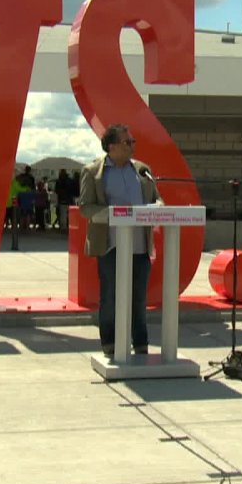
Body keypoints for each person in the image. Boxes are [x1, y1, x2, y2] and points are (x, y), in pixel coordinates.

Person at [78, 124, 162, 357]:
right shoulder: (94, 171)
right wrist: (116, 213)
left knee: (139, 298)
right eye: (128, 142)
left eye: (133, 142)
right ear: (112, 146)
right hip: (110, 245)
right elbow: (86, 208)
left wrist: (157, 209)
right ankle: (110, 345)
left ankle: (141, 345)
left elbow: (158, 200)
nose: (133, 146)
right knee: (110, 297)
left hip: (140, 246)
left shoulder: (142, 170)